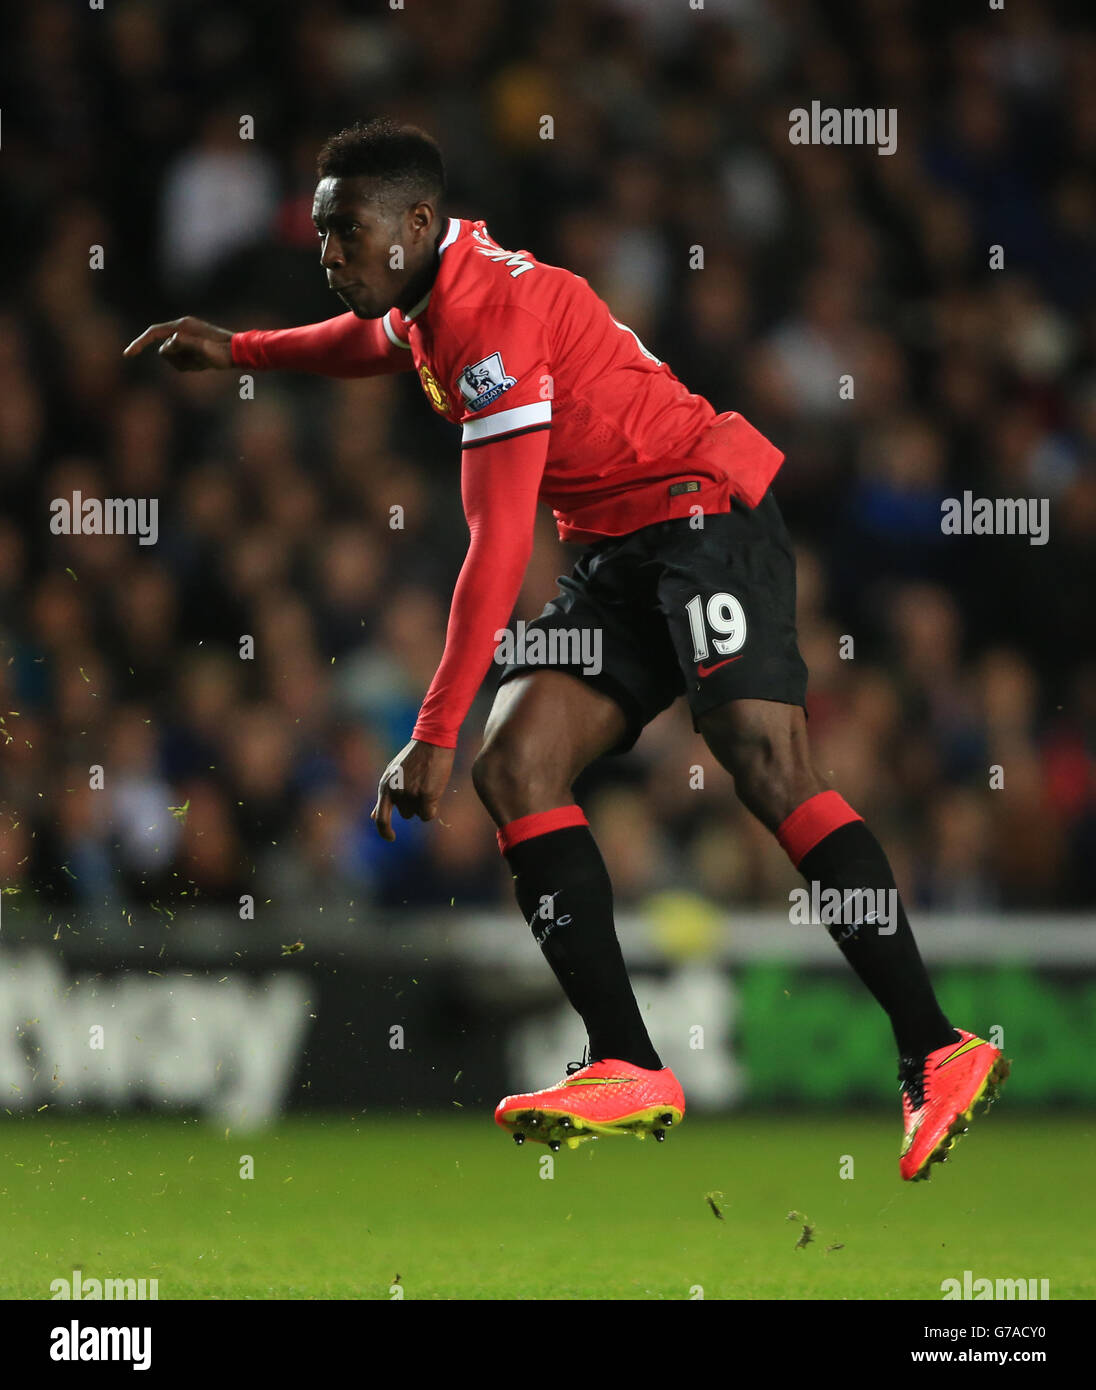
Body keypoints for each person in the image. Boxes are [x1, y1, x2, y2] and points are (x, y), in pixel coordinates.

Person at [124, 117, 1008, 1180]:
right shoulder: (426, 293)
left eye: (343, 234)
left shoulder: (489, 320)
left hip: (700, 511)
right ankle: (626, 1061)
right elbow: (373, 340)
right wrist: (239, 348)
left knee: (764, 761)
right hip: (618, 548)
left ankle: (935, 1045)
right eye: (320, 237)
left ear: (414, 222)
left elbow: (497, 553)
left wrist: (430, 731)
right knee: (520, 764)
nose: (327, 257)